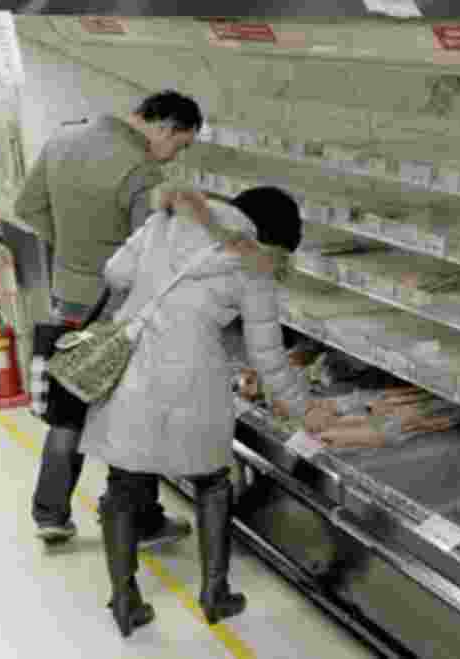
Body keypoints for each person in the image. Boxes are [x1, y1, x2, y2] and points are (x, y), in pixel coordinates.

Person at [78, 184, 311, 636]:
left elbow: (116, 273)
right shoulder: (253, 261)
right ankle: (215, 592)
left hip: (133, 365)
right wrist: (303, 409)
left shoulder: (165, 221)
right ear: (272, 235)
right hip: (195, 376)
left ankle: (125, 598)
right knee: (211, 483)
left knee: (123, 484)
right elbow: (267, 356)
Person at [14, 90, 203, 545]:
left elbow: (26, 208)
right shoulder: (142, 172)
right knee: (131, 415)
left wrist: (73, 256)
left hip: (67, 298)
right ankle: (141, 520)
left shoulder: (64, 140)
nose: (174, 154)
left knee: (68, 408)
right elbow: (149, 252)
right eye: (179, 145)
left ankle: (50, 514)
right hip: (117, 308)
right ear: (163, 128)